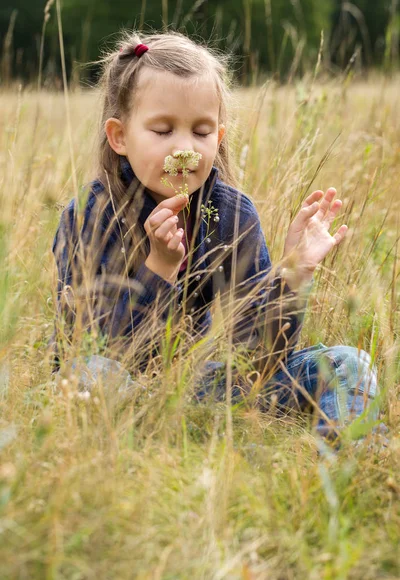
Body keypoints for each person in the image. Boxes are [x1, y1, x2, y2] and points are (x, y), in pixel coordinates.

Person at [49, 30, 387, 448]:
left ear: (219, 138)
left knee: (348, 364)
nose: (184, 149)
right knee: (89, 375)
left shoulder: (232, 214)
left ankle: (347, 455)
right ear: (119, 136)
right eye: (162, 130)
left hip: (207, 388)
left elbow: (259, 356)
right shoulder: (91, 215)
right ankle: (144, 443)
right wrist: (160, 268)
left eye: (201, 132)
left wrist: (293, 273)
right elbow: (97, 347)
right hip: (123, 386)